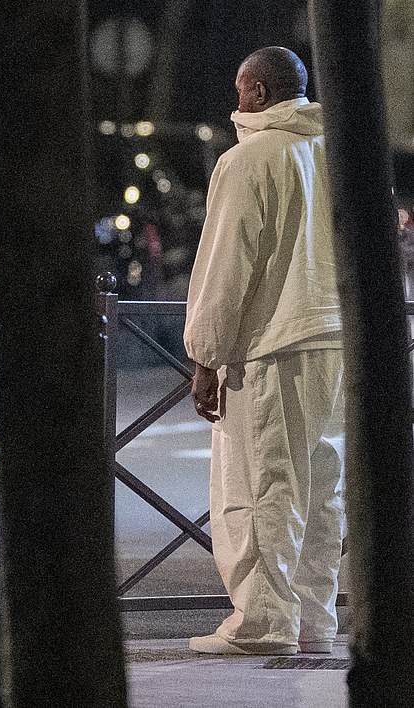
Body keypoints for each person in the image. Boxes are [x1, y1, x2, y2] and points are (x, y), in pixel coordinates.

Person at [183, 47, 344, 656]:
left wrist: (205, 357)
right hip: (334, 342)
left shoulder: (249, 160)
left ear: (253, 89)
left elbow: (227, 269)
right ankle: (314, 621)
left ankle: (264, 622)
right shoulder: (334, 153)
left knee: (265, 487)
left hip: (273, 347)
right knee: (322, 489)